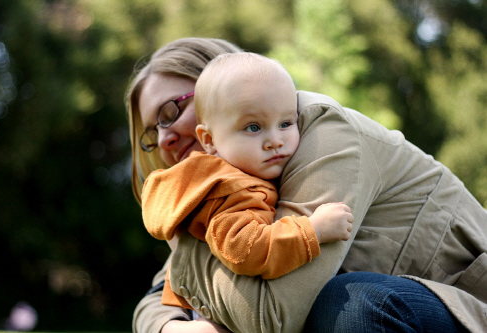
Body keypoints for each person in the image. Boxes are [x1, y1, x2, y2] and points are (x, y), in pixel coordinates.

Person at [127, 37, 487, 333]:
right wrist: (178, 329)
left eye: (170, 112)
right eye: (151, 131)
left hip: (467, 309)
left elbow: (271, 317)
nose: (164, 140)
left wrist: (183, 240)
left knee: (350, 303)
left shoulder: (320, 133)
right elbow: (150, 303)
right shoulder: (230, 180)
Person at [140, 52, 353, 309]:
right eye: (253, 127)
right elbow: (243, 251)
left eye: (286, 123)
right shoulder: (226, 188)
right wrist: (313, 231)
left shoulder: (243, 172)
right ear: (209, 140)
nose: (275, 140)